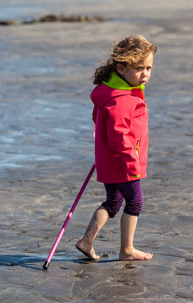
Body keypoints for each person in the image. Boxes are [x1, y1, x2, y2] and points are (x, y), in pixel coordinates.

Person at [76, 35, 157, 261]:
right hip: (123, 160)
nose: (145, 74)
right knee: (135, 201)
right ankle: (127, 249)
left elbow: (98, 120)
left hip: (109, 157)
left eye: (149, 67)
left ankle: (86, 241)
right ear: (121, 68)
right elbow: (119, 134)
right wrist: (131, 161)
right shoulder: (122, 98)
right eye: (139, 68)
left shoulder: (111, 90)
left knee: (114, 201)